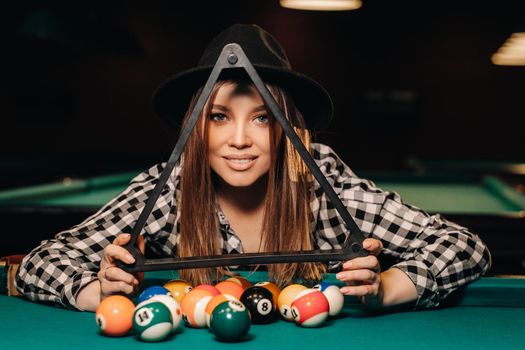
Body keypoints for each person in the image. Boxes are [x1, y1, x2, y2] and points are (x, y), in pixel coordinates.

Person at [15, 24, 491, 312]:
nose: (239, 138)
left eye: (262, 117)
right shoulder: (170, 186)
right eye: (219, 116)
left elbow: (465, 247)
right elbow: (42, 261)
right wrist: (99, 290)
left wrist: (387, 287)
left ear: (287, 129)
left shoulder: (321, 183)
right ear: (195, 128)